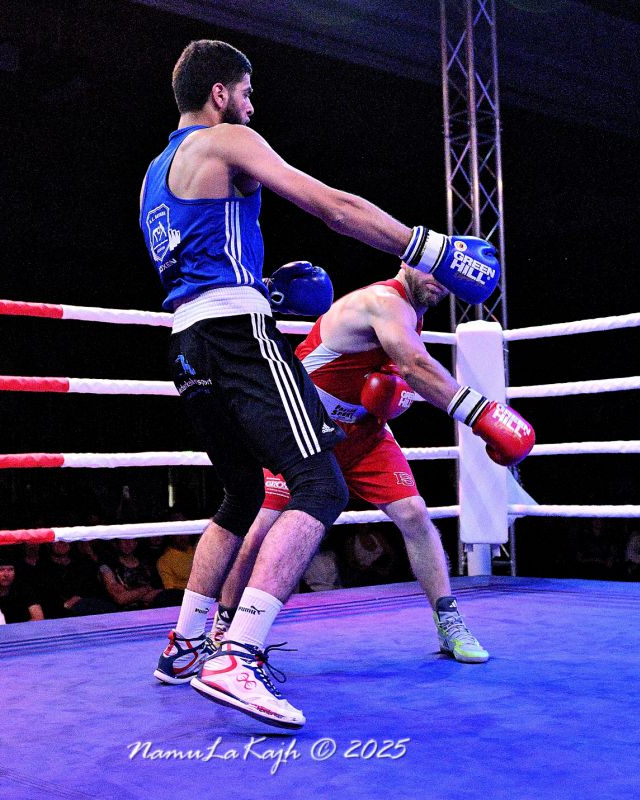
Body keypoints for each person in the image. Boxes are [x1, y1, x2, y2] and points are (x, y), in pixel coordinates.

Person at [139, 39, 505, 729]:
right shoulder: (227, 139)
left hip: (185, 343)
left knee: (244, 491)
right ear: (219, 93)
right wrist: (431, 248)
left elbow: (197, 258)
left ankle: (185, 644)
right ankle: (237, 655)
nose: (251, 106)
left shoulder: (156, 173)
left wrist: (261, 282)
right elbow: (332, 206)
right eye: (246, 93)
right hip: (235, 334)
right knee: (321, 486)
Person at [209, 264, 534, 664]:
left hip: (363, 434)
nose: (439, 282)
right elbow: (415, 367)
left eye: (447, 276)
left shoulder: (411, 314)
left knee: (414, 513)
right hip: (304, 428)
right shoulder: (382, 301)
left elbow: (393, 383)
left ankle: (449, 621)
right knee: (261, 528)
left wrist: (390, 398)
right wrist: (482, 414)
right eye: (432, 270)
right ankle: (224, 624)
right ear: (408, 262)